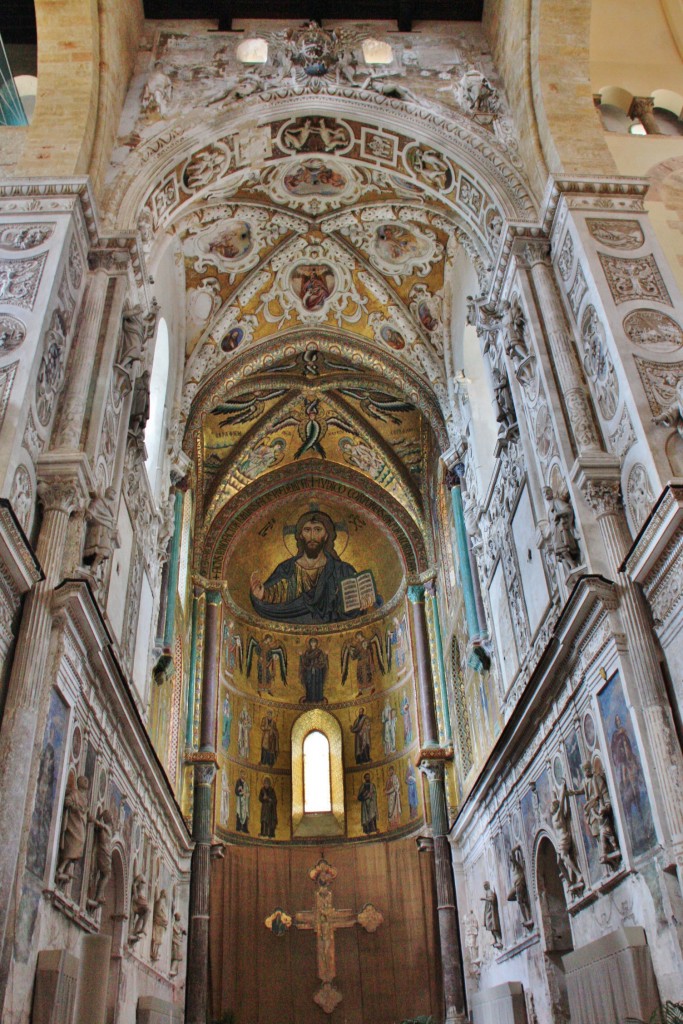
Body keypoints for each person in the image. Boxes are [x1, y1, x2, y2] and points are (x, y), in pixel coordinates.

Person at [249, 511, 364, 624]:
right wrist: (261, 596)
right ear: (300, 535)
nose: (312, 536)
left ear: (326, 535)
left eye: (318, 530)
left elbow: (351, 610)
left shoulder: (342, 571)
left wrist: (363, 601)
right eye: (307, 530)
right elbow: (272, 598)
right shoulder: (286, 569)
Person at [56, 775, 90, 883]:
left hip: (80, 824)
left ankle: (65, 869)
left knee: (79, 845)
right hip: (73, 822)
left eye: (86, 780)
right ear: (79, 783)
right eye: (84, 780)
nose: (86, 781)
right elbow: (67, 801)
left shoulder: (85, 798)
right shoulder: (75, 793)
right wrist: (75, 807)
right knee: (74, 843)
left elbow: (85, 812)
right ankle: (61, 868)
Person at [89, 808, 113, 906]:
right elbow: (100, 825)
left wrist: (96, 819)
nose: (112, 818)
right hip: (104, 853)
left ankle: (99, 894)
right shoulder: (107, 828)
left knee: (105, 875)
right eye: (110, 816)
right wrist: (94, 820)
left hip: (105, 853)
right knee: (107, 874)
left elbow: (100, 825)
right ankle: (98, 895)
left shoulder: (108, 829)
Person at [299, 637, 328, 703]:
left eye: (314, 642)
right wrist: (301, 656)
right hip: (309, 670)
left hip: (318, 670)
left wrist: (326, 656)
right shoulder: (307, 652)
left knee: (318, 683)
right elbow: (305, 661)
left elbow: (322, 661)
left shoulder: (319, 652)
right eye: (311, 642)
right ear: (309, 643)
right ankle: (309, 698)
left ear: (317, 643)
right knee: (309, 683)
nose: (313, 644)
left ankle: (319, 699)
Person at [481, 882, 502, 949]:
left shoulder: (489, 891)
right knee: (490, 927)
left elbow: (492, 899)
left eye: (485, 885)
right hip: (488, 911)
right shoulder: (487, 892)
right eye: (484, 886)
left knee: (493, 926)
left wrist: (484, 899)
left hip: (491, 912)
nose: (484, 887)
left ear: (488, 885)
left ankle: (499, 940)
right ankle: (495, 940)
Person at [151, 888, 169, 960]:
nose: (166, 895)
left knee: (159, 939)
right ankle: (154, 952)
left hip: (161, 922)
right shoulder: (160, 902)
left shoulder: (162, 902)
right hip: (159, 921)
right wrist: (163, 918)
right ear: (163, 894)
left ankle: (156, 952)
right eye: (165, 894)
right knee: (156, 938)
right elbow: (158, 911)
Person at [170, 912, 186, 976]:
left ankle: (174, 970)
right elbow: (177, 931)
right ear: (176, 917)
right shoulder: (174, 924)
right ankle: (172, 969)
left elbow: (184, 931)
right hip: (176, 941)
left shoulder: (180, 924)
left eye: (180, 916)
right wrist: (181, 930)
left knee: (178, 957)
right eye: (178, 916)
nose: (179, 917)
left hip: (179, 941)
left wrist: (183, 931)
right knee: (176, 957)